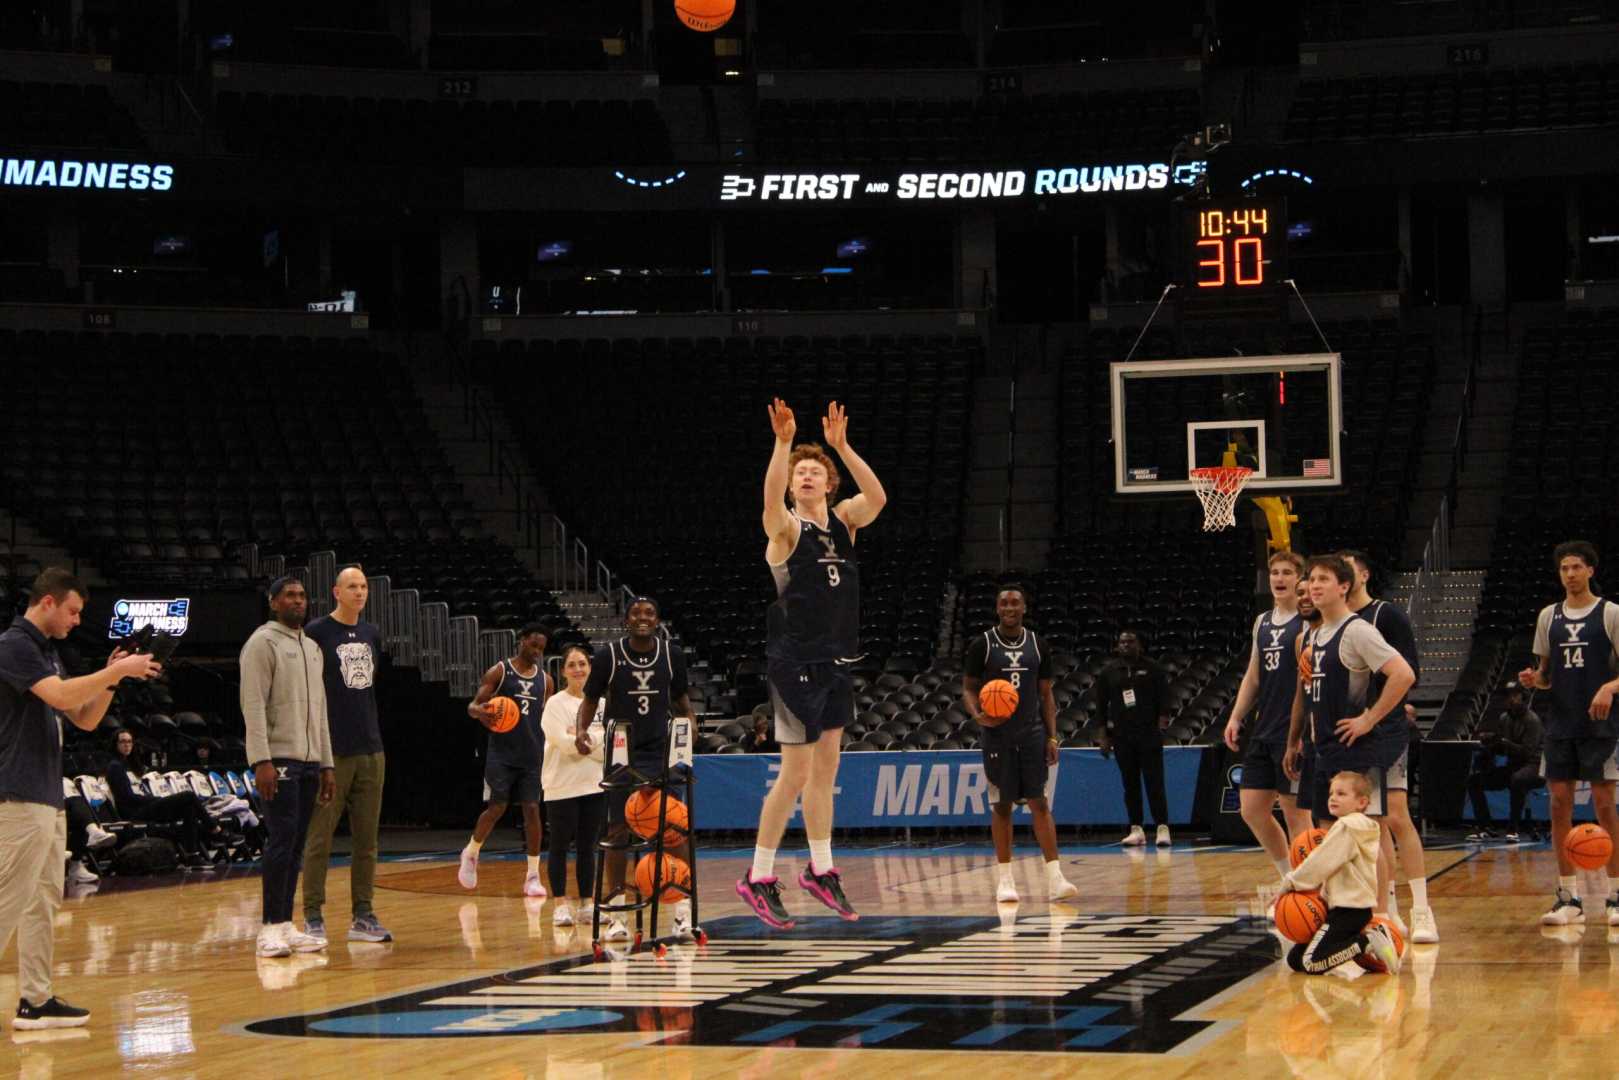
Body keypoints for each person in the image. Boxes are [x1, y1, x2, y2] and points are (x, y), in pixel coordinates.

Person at [738, 399, 886, 929]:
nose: (805, 476)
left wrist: (842, 447)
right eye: (799, 472)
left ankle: (821, 869)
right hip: (794, 662)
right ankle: (758, 875)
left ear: (829, 484)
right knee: (796, 774)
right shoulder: (786, 530)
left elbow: (877, 497)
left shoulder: (845, 523)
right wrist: (783, 445)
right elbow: (770, 501)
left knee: (827, 770)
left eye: (814, 471)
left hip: (836, 661)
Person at [0, 568, 162, 1028]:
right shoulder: (14, 645)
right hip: (16, 793)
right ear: (47, 602)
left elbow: (85, 719)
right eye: (72, 611)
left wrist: (112, 680)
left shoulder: (47, 653)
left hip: (46, 794)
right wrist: (112, 669)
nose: (76, 620)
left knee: (41, 902)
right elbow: (57, 695)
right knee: (8, 899)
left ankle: (36, 999)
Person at [575, 598, 698, 941]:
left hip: (661, 749)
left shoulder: (672, 654)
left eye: (649, 613)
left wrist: (690, 730)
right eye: (636, 613)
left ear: (657, 620)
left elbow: (683, 703)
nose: (642, 618)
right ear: (626, 620)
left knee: (674, 829)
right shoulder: (608, 656)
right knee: (618, 832)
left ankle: (682, 912)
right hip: (621, 750)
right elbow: (590, 701)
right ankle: (617, 916)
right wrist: (583, 730)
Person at [1518, 540, 1619, 927]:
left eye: (1577, 567)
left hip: (1601, 725)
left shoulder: (1609, 614)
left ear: (1591, 570)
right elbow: (1545, 675)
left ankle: (1614, 893)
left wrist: (1610, 688)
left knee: (1605, 805)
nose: (1571, 574)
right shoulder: (1549, 616)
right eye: (1564, 568)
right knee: (1559, 803)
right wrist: (1534, 679)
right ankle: (1567, 896)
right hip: (1560, 722)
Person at [1340, 549, 1436, 944]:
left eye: (1345, 568)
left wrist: (1376, 715)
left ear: (1362, 574)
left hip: (1386, 728)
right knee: (1372, 821)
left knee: (1396, 814)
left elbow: (1408, 672)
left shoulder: (1386, 616)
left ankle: (1423, 910)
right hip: (1348, 731)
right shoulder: (1331, 622)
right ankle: (1389, 909)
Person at [961, 584, 1078, 903]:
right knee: (1001, 806)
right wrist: (977, 715)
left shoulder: (1037, 644)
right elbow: (968, 688)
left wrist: (1052, 736)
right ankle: (1005, 880)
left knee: (1040, 803)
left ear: (1024, 608)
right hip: (997, 735)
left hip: (1032, 733)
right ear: (997, 609)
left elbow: (1046, 694)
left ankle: (1055, 878)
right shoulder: (982, 644)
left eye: (1015, 603)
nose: (1009, 608)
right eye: (1004, 604)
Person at [240, 576, 336, 959]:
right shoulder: (261, 642)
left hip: (311, 761)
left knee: (296, 845)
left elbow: (322, 712)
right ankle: (267, 929)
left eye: (302, 595)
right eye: (290, 596)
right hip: (278, 759)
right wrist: (261, 759)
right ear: (273, 602)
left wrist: (327, 763)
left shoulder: (313, 648)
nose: (298, 601)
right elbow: (253, 706)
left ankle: (284, 924)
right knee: (280, 842)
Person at [300, 565, 391, 946]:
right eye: (352, 586)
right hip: (333, 751)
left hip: (372, 748)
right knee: (320, 838)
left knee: (366, 841)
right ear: (336, 592)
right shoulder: (317, 632)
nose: (359, 592)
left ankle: (363, 915)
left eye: (363, 586)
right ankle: (313, 916)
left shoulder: (371, 634)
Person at [1224, 551, 1314, 885]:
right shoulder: (1262, 621)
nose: (1279, 578)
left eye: (1287, 572)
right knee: (1252, 810)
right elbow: (1253, 675)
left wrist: (1305, 729)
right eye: (1275, 572)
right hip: (1264, 728)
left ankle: (1311, 887)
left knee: (1296, 814)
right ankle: (1289, 877)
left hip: (1293, 730)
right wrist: (1236, 717)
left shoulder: (1307, 622)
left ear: (1300, 579)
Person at [1279, 770, 1403, 976]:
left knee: (1311, 963)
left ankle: (1367, 941)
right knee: (1295, 959)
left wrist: (1291, 882)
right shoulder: (1356, 827)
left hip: (1349, 910)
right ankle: (1357, 943)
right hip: (1350, 908)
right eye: (1331, 794)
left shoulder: (1347, 827)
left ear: (1361, 803)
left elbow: (1320, 862)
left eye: (1341, 794)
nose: (1333, 798)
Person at [460, 624, 551, 900]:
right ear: (522, 640)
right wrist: (482, 713)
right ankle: (472, 852)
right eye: (533, 645)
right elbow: (473, 706)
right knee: (497, 807)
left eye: (541, 649)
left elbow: (544, 717)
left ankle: (532, 876)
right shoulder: (500, 671)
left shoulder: (546, 680)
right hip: (501, 753)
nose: (537, 652)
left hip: (532, 754)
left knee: (532, 810)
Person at [541, 645, 605, 927]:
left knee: (587, 848)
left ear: (590, 667)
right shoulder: (555, 704)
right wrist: (589, 739)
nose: (578, 669)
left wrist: (582, 736)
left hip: (594, 784)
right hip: (561, 786)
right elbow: (565, 745)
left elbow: (609, 746)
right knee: (558, 846)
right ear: (564, 670)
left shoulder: (602, 705)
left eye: (582, 663)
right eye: (572, 665)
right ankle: (559, 905)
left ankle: (586, 904)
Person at [105, 727, 226, 866]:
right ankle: (216, 831)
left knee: (189, 808)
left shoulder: (130, 765)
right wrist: (155, 799)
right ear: (115, 744)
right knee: (188, 796)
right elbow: (126, 797)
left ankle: (193, 856)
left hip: (144, 807)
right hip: (133, 812)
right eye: (122, 742)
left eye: (129, 742)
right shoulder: (115, 766)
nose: (127, 745)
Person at [1097, 629, 1172, 847]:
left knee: (1154, 783)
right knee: (1130, 785)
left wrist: (1162, 725)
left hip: (1149, 735)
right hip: (1122, 737)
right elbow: (1101, 707)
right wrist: (1104, 736)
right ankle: (1136, 829)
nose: (1125, 646)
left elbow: (1165, 700)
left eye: (1130, 642)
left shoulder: (1153, 669)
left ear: (1139, 644)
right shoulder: (1109, 672)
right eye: (1122, 642)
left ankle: (1162, 828)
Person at [1465, 683, 1545, 842]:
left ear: (1523, 698)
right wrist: (1490, 743)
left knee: (1518, 780)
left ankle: (1513, 828)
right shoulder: (1504, 718)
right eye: (1508, 696)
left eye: (1515, 696)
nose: (1511, 700)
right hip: (1513, 765)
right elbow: (1504, 747)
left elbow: (1527, 752)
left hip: (1534, 766)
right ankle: (1485, 826)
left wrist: (1503, 742)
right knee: (1474, 781)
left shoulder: (1532, 720)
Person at [1287, 577, 1323, 827]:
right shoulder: (1301, 640)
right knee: (1319, 818)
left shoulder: (1346, 630)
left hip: (1340, 738)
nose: (1305, 597)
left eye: (1311, 591)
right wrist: (1292, 742)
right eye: (1300, 592)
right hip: (1312, 740)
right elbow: (1301, 694)